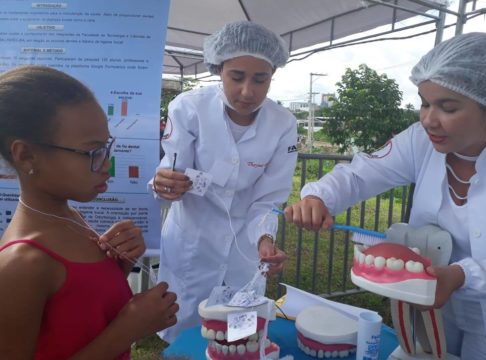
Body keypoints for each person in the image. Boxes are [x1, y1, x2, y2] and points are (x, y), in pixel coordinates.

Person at [283, 32, 486, 360]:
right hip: (428, 305)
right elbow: (361, 173)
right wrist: (319, 197)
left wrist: (463, 276)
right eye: (424, 103)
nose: (428, 119)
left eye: (447, 107)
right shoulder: (420, 142)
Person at [0, 65, 179, 359]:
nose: (107, 165)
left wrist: (119, 265)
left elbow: (78, 312)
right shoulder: (22, 264)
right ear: (26, 155)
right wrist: (127, 329)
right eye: (92, 152)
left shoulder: (69, 217)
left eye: (107, 148)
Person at [151, 21, 298, 342]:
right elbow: (172, 171)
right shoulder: (189, 108)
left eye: (261, 79)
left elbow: (268, 198)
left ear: (273, 75)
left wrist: (264, 240)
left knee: (237, 336)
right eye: (237, 77)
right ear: (219, 69)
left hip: (243, 252)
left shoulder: (282, 124)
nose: (248, 91)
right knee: (184, 335)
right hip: (193, 242)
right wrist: (165, 184)